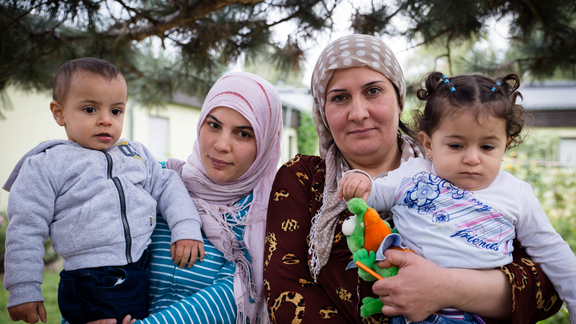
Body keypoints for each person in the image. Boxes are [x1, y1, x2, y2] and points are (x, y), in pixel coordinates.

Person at [263, 34, 563, 324]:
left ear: (398, 99)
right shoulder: (303, 179)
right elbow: (286, 295)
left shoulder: (466, 173)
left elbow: (546, 288)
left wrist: (447, 286)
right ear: (323, 111)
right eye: (339, 97)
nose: (358, 112)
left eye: (373, 91)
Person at [338, 72, 576, 323]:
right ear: (428, 144)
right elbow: (372, 194)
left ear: (506, 145)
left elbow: (551, 251)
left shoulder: (517, 194)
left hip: (479, 315)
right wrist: (359, 180)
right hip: (410, 313)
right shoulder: (413, 173)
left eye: (487, 147)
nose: (472, 158)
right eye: (456, 146)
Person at [3, 57, 204, 324]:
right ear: (59, 112)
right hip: (89, 279)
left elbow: (168, 185)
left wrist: (187, 227)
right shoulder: (46, 164)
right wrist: (23, 289)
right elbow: (26, 227)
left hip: (138, 271)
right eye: (90, 109)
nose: (106, 120)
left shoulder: (135, 154)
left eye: (116, 111)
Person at [89, 71, 282, 324]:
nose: (222, 145)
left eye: (243, 134)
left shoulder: (262, 217)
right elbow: (95, 245)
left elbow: (231, 296)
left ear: (265, 144)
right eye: (213, 125)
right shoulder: (154, 180)